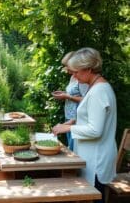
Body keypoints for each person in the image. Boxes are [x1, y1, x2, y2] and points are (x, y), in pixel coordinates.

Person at [52, 47, 117, 203]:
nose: (73, 75)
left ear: (88, 69)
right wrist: (73, 121)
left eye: (76, 71)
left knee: (95, 198)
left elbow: (95, 130)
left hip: (97, 158)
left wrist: (67, 128)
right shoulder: (96, 86)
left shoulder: (99, 91)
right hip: (94, 154)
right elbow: (94, 117)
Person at [52, 51, 88, 150]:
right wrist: (63, 94)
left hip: (76, 117)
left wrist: (67, 96)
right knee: (71, 145)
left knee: (74, 147)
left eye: (67, 65)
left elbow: (87, 99)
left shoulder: (83, 79)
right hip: (69, 115)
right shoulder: (73, 77)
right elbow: (73, 93)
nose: (66, 69)